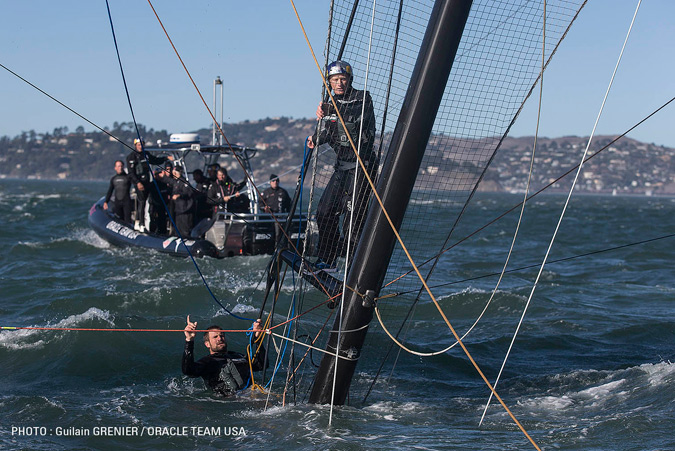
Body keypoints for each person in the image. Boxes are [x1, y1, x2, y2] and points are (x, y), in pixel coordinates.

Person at [307, 60, 377, 269]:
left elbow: (355, 125)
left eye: (343, 79)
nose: (339, 84)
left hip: (362, 168)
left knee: (353, 221)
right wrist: (314, 138)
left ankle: (354, 265)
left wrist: (331, 110)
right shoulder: (331, 103)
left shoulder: (362, 98)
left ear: (349, 80)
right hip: (342, 167)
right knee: (324, 212)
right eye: (335, 80)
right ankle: (328, 259)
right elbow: (328, 132)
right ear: (329, 82)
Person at [182, 316, 266, 396]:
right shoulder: (208, 362)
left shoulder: (237, 355)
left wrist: (257, 338)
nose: (220, 338)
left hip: (251, 394)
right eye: (215, 337)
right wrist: (189, 340)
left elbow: (261, 365)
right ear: (207, 344)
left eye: (221, 335)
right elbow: (188, 371)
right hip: (229, 400)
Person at [126, 138, 171, 232]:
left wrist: (166, 158)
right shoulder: (131, 157)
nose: (140, 147)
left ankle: (150, 223)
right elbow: (131, 173)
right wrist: (137, 183)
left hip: (147, 182)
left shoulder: (146, 154)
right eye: (138, 145)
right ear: (135, 145)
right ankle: (140, 223)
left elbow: (155, 161)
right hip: (139, 183)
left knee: (150, 200)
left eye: (142, 145)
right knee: (141, 202)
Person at [170, 165, 194, 238]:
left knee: (184, 230)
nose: (174, 175)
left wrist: (179, 195)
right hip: (178, 210)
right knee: (178, 229)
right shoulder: (175, 182)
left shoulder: (184, 182)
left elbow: (189, 192)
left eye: (175, 173)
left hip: (184, 210)